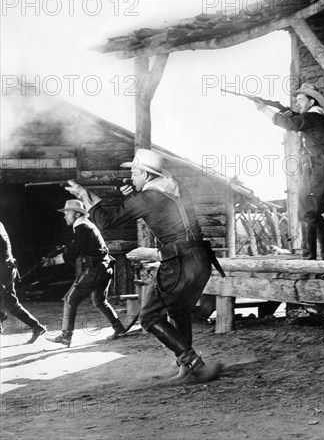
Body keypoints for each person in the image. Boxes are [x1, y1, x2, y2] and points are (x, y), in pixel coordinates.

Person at [65, 148, 223, 385]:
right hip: (200, 260)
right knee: (178, 312)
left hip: (179, 262)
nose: (131, 178)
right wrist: (133, 193)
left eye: (135, 174)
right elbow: (152, 200)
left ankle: (192, 362)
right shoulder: (173, 186)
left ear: (147, 176)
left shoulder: (148, 198)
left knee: (148, 316)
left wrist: (84, 193)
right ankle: (186, 364)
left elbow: (106, 221)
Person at [256, 83, 324, 260]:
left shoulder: (314, 116)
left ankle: (309, 258)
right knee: (313, 213)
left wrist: (264, 109)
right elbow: (295, 117)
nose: (298, 103)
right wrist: (279, 107)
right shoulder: (315, 116)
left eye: (301, 99)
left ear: (311, 101)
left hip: (316, 168)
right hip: (315, 168)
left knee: (307, 213)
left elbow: (291, 123)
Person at [44, 200, 128, 347]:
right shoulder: (86, 226)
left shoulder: (82, 227)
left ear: (77, 214)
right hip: (104, 267)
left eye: (67, 213)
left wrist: (52, 261)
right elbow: (77, 246)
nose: (65, 216)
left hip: (96, 269)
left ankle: (66, 336)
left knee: (70, 299)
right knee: (99, 301)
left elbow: (73, 251)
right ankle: (119, 329)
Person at [0, 221, 47, 343]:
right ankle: (36, 327)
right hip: (7, 267)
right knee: (7, 300)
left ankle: (37, 326)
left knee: (11, 303)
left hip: (3, 269)